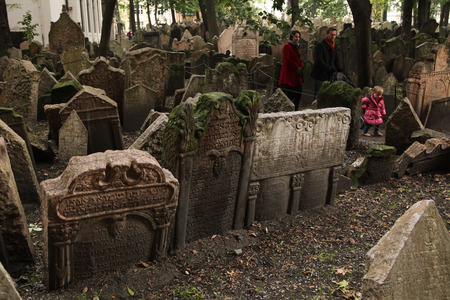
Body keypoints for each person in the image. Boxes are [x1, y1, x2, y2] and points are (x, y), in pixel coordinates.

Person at [311, 27, 343, 98]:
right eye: (331, 35)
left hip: (329, 75)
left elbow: (335, 59)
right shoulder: (320, 46)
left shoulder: (334, 46)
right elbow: (319, 60)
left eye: (334, 35)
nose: (333, 37)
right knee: (318, 94)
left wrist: (339, 69)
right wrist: (329, 68)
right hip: (320, 74)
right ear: (327, 34)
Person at [278, 30, 304, 110]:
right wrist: (296, 67)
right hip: (289, 74)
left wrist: (301, 66)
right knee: (289, 94)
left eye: (298, 37)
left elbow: (299, 59)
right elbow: (287, 59)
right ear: (292, 37)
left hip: (297, 74)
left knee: (299, 92)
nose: (297, 38)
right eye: (295, 36)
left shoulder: (297, 47)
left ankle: (296, 109)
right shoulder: (287, 46)